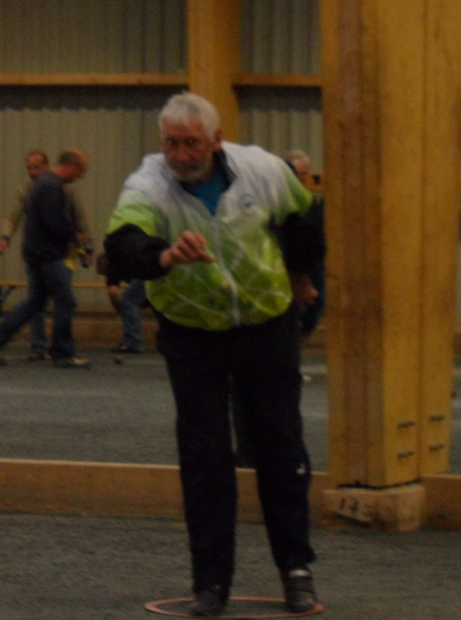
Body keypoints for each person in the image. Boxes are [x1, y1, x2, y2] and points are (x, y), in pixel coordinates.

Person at [104, 92, 324, 616]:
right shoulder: (147, 184)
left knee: (281, 447)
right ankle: (210, 584)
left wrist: (300, 278)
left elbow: (306, 218)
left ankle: (296, 570)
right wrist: (162, 255)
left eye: (192, 143)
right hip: (191, 331)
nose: (181, 154)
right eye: (172, 143)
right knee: (204, 457)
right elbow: (121, 244)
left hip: (265, 324)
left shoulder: (264, 170)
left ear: (216, 140)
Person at [0, 150, 91, 369]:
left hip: (34, 254)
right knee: (66, 301)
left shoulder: (45, 186)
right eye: (80, 171)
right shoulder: (51, 186)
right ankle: (62, 353)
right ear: (70, 165)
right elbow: (56, 222)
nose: (80, 176)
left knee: (36, 302)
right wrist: (77, 239)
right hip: (49, 255)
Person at [0, 149, 52, 360]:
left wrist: (85, 246)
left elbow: (75, 215)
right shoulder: (26, 190)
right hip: (35, 253)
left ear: (46, 166)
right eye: (29, 168)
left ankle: (61, 347)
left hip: (57, 255)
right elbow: (13, 216)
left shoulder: (59, 187)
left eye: (37, 167)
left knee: (62, 301)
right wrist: (5, 237)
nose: (33, 172)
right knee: (37, 300)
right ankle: (39, 346)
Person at [285, 149, 326, 341]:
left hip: (314, 262)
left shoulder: (312, 201)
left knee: (317, 302)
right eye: (296, 174)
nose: (300, 178)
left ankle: (303, 335)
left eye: (303, 174)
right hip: (292, 263)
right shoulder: (282, 201)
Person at [97, 253, 147, 354]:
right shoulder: (123, 258)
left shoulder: (112, 266)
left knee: (129, 300)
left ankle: (133, 342)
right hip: (155, 270)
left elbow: (113, 293)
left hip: (146, 273)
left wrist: (121, 311)